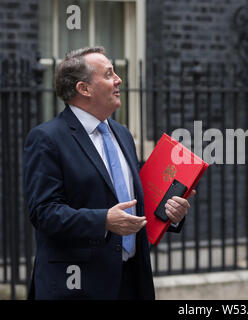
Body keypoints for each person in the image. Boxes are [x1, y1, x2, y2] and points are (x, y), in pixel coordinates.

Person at [23, 46, 193, 299]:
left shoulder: (122, 133)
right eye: (108, 74)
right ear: (84, 89)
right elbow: (44, 212)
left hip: (131, 281)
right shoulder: (47, 138)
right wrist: (103, 221)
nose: (118, 80)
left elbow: (136, 203)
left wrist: (172, 214)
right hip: (79, 286)